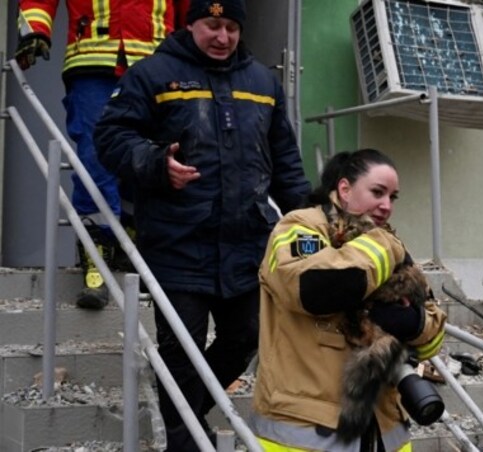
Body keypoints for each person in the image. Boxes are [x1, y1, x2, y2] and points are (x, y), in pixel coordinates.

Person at [93, 0, 312, 449]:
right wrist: (156, 164)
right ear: (191, 24)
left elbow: (285, 160)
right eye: (213, 25)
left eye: (231, 27)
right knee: (180, 351)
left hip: (247, 242)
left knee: (248, 335)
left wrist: (310, 219)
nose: (223, 37)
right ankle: (183, 437)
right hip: (176, 240)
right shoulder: (152, 73)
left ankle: (185, 412)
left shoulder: (263, 81)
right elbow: (111, 136)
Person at [252, 148, 448, 451]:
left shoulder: (382, 242)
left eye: (392, 197)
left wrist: (414, 322)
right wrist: (384, 246)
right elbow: (313, 289)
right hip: (308, 433)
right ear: (344, 189)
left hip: (384, 432)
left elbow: (434, 334)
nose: (386, 206)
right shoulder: (300, 226)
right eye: (377, 192)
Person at [15, 0, 190, 310]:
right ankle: (96, 258)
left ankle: (136, 244)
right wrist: (35, 29)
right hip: (92, 65)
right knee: (95, 159)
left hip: (156, 67)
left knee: (151, 158)